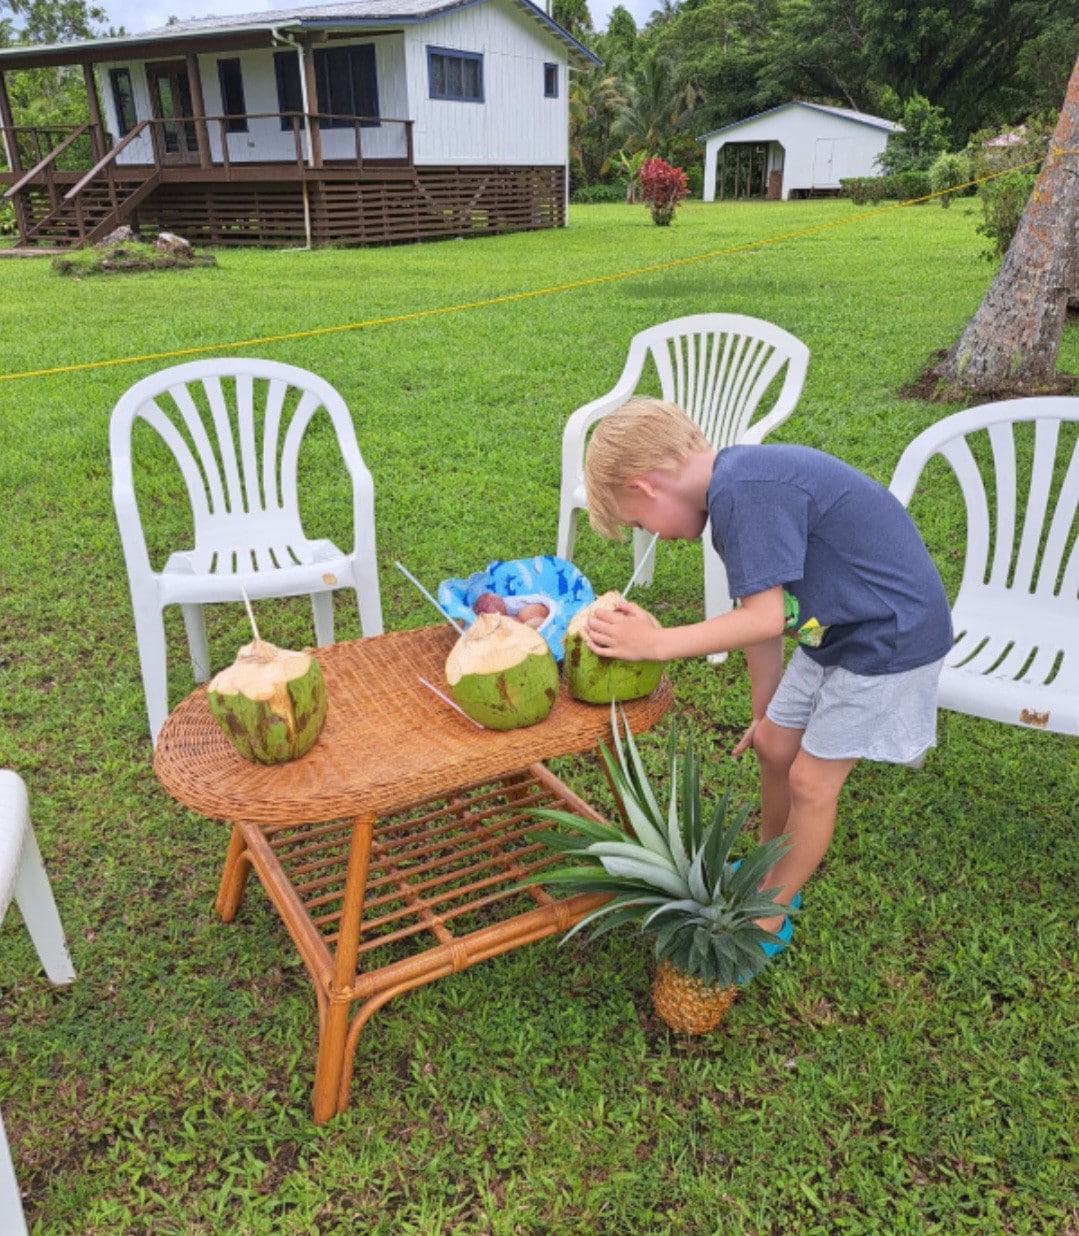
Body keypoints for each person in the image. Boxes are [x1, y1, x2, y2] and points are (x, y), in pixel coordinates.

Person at [582, 397, 953, 939]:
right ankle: (766, 863)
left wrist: (657, 644)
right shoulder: (735, 491)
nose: (654, 534)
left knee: (810, 781)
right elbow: (762, 617)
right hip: (838, 632)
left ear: (646, 485)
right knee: (776, 744)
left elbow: (765, 616)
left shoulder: (743, 492)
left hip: (888, 641)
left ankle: (773, 906)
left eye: (640, 522)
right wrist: (766, 711)